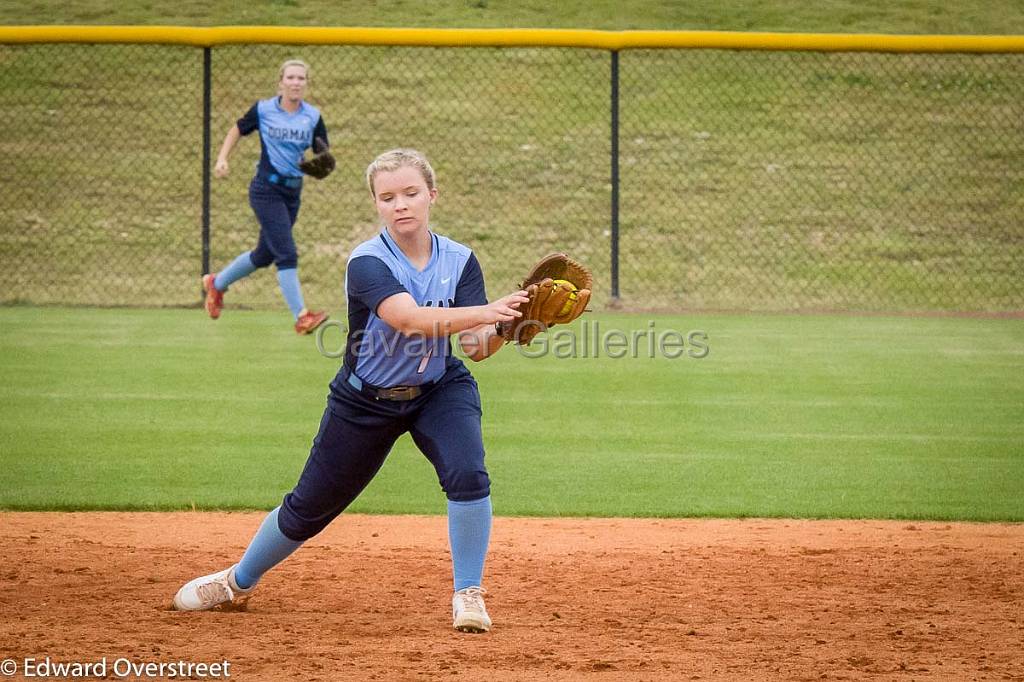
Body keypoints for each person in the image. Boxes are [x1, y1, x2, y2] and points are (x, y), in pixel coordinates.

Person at [173, 149, 530, 633]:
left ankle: (468, 593)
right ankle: (238, 580)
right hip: (365, 400)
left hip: (438, 389)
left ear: (432, 195)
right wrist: (492, 310)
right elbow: (406, 319)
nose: (400, 204)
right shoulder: (367, 261)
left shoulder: (461, 259)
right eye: (388, 197)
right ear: (376, 205)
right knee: (309, 507)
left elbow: (474, 346)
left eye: (410, 193)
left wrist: (517, 327)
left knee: (468, 474)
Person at [202, 58, 330, 335]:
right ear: (280, 82)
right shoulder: (263, 110)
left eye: (301, 78)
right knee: (286, 253)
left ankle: (216, 283)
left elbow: (323, 151)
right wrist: (223, 159)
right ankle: (302, 316)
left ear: (306, 84)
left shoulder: (313, 117)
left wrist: (322, 162)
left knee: (263, 255)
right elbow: (237, 128)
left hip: (292, 192)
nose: (296, 82)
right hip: (265, 190)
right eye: (291, 77)